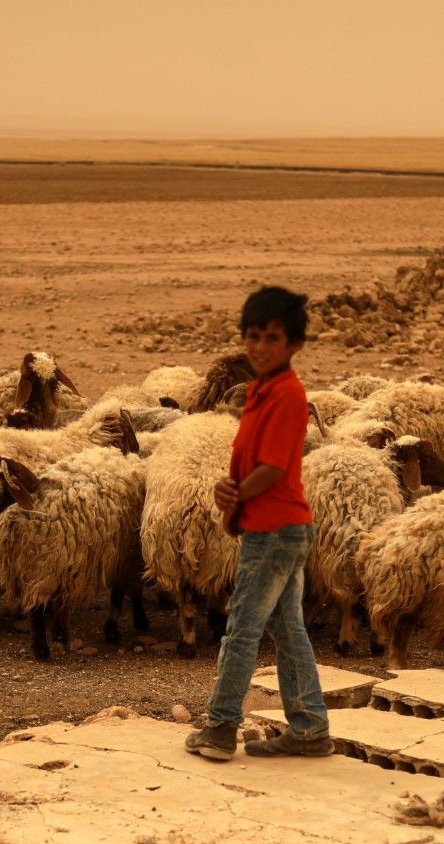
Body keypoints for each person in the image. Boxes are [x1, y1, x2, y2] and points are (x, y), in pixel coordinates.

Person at [185, 286, 331, 761]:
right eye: (253, 336)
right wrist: (233, 497)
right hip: (271, 528)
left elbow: (270, 467)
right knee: (288, 630)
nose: (260, 347)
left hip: (274, 531)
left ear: (293, 344)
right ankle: (309, 729)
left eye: (272, 337)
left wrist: (235, 493)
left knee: (241, 629)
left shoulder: (287, 395)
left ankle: (221, 727)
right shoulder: (260, 394)